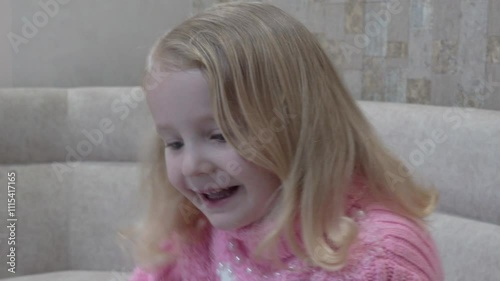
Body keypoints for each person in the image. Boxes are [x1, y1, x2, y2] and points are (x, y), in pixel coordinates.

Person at [123, 2, 444, 280]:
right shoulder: (195, 234)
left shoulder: (382, 259)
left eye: (220, 136)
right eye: (174, 143)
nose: (192, 166)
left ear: (299, 128)